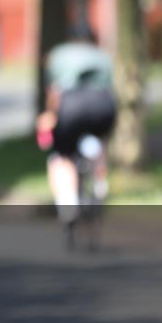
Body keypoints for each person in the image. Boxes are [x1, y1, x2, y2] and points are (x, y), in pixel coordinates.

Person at [35, 25, 116, 223]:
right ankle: (99, 180)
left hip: (71, 105)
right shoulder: (104, 56)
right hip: (103, 104)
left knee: (62, 156)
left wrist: (50, 116)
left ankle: (68, 202)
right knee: (99, 140)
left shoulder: (58, 54)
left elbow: (54, 92)